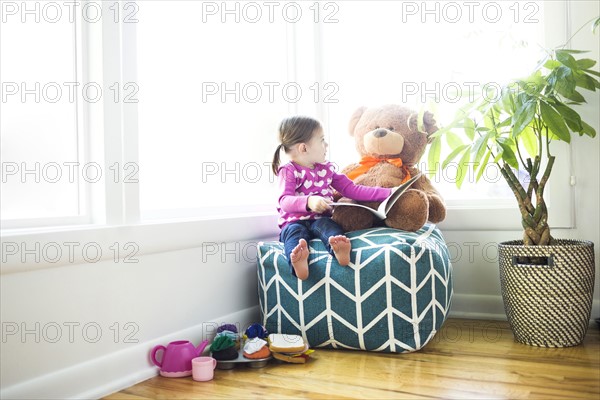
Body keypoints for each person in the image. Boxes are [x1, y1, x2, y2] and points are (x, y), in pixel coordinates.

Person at [272, 116, 392, 280]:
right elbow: (284, 201)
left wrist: (388, 193)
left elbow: (352, 189)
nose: (326, 145)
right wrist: (309, 201)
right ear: (303, 148)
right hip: (293, 221)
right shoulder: (289, 171)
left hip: (320, 219)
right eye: (322, 140)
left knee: (330, 228)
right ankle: (298, 262)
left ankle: (339, 249)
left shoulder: (326, 169)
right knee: (294, 235)